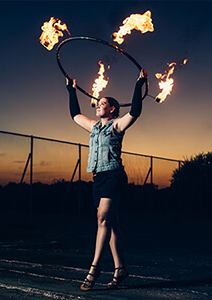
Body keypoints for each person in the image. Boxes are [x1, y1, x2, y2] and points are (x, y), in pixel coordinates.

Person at [66, 69, 148, 291]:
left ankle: (94, 268)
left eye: (103, 103)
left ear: (112, 109)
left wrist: (138, 84)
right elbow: (74, 115)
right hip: (98, 177)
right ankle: (120, 268)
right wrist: (70, 90)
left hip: (113, 176)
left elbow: (136, 112)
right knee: (110, 224)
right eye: (98, 103)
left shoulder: (116, 125)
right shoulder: (93, 127)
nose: (98, 104)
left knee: (102, 219)